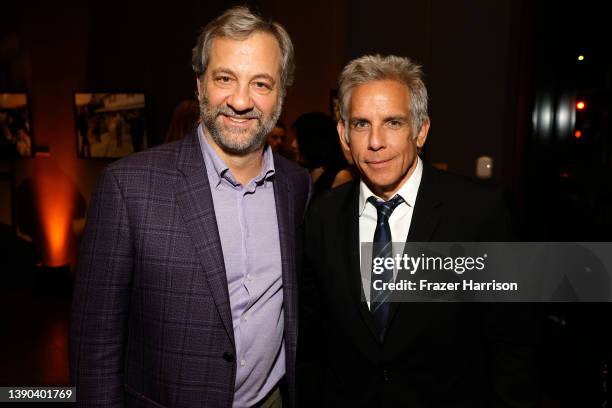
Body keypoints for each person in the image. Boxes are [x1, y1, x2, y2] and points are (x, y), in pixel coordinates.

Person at [71, 6, 310, 408]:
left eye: (261, 84)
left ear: (281, 94)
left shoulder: (295, 185)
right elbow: (94, 344)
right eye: (224, 79)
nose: (240, 100)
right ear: (200, 86)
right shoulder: (128, 187)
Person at [299, 55, 538, 407]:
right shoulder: (322, 215)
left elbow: (514, 342)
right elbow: (312, 344)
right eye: (362, 124)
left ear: (421, 130)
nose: (375, 141)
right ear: (343, 135)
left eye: (393, 123)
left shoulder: (479, 213)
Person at [291, 112, 355, 197]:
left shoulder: (341, 176)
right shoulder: (305, 173)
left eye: (297, 138)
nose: (293, 144)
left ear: (313, 141)